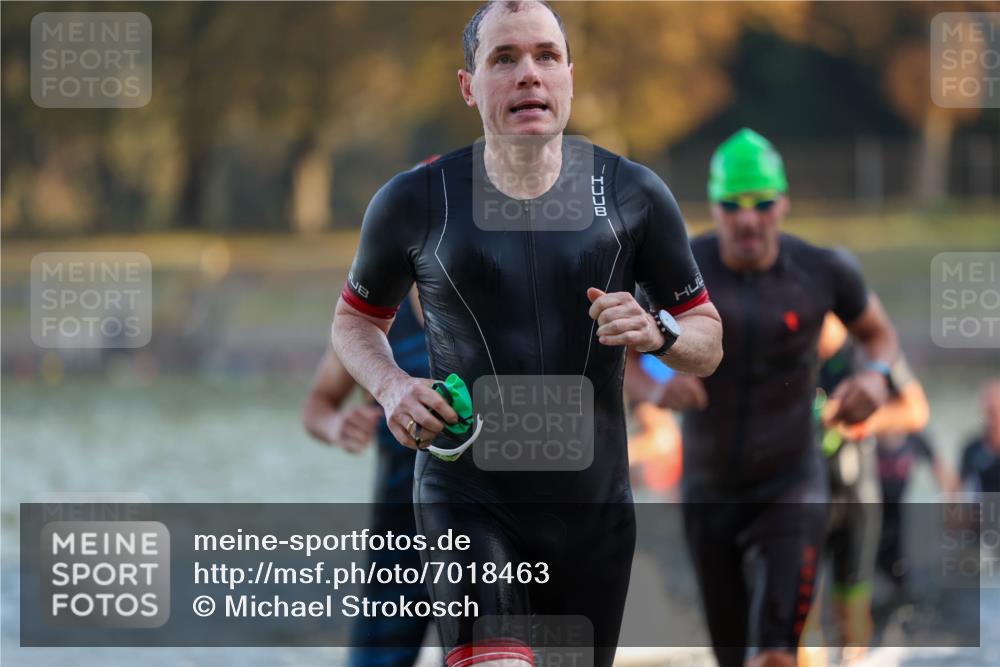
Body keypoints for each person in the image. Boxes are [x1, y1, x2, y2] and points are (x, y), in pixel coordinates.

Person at [330, 2, 723, 665]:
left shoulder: (633, 194)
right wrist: (393, 386)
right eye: (504, 59)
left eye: (546, 56)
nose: (529, 76)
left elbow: (707, 341)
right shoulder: (415, 201)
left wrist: (656, 333)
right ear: (469, 86)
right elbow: (355, 322)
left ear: (570, 73)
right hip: (468, 499)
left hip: (593, 513)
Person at [657, 128, 899, 667]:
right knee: (731, 655)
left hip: (791, 482)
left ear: (783, 203)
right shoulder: (680, 270)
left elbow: (879, 336)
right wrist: (655, 383)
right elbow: (619, 350)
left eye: (762, 204)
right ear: (714, 207)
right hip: (708, 488)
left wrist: (877, 376)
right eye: (732, 205)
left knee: (776, 654)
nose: (748, 219)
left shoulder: (823, 269)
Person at [802, 314, 948, 665]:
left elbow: (916, 411)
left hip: (857, 497)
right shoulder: (791, 348)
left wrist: (861, 419)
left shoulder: (868, 350)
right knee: (801, 615)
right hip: (801, 498)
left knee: (852, 613)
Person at [303, 289, 437, 667]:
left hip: (489, 537)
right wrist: (338, 425)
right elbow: (318, 405)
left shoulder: (504, 299)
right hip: (399, 541)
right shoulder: (374, 316)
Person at [959, 380, 1000, 494]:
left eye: (995, 411)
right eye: (989, 411)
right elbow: (955, 491)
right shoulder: (972, 448)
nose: (992, 418)